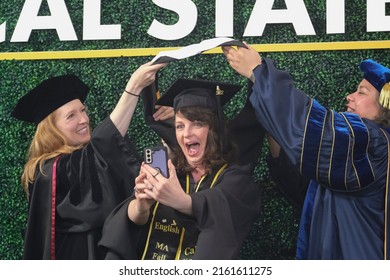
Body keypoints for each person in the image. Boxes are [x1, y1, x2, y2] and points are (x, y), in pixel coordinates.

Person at [223, 43, 390, 259]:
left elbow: (316, 127)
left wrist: (259, 72)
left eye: (361, 92)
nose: (350, 96)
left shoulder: (374, 144)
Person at [10, 61, 173, 259]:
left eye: (83, 110)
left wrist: (170, 124)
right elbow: (102, 148)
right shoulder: (50, 171)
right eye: (71, 116)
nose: (84, 119)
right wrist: (133, 88)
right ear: (51, 129)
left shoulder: (83, 161)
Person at [98, 78, 262, 260]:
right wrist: (141, 207)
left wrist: (180, 200)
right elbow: (129, 224)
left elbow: (221, 212)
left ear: (215, 129)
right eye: (179, 126)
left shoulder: (234, 179)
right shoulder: (168, 172)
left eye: (197, 124)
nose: (186, 133)